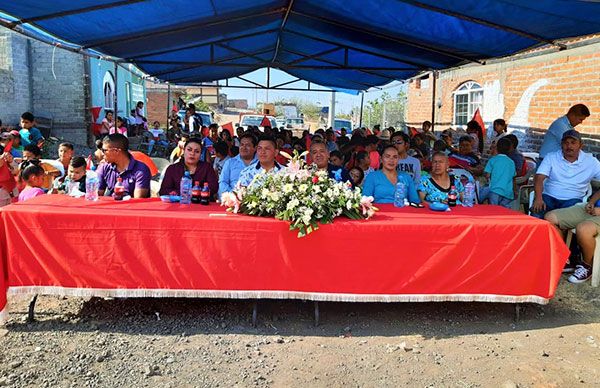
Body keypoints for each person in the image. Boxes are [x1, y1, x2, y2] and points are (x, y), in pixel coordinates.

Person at [531, 129, 600, 218]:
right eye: (566, 143)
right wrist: (538, 198)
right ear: (561, 145)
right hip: (548, 196)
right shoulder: (551, 157)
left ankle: (556, 231)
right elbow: (539, 177)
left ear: (581, 145)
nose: (569, 146)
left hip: (573, 200)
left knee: (562, 219)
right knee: (536, 215)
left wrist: (592, 201)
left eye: (573, 142)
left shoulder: (591, 161)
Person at [545, 193, 600, 283]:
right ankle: (565, 260)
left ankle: (587, 265)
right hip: (594, 209)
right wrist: (591, 202)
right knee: (550, 218)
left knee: (584, 229)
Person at [97, 134, 151, 198]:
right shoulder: (104, 167)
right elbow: (96, 194)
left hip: (131, 207)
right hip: (109, 206)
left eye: (104, 150)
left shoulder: (141, 170)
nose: (102, 154)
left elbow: (138, 200)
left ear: (116, 151)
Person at [482, 137, 516, 208]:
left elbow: (487, 175)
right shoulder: (511, 162)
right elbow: (513, 177)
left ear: (496, 148)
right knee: (503, 211)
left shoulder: (493, 160)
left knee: (493, 209)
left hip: (495, 190)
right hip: (508, 192)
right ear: (510, 149)